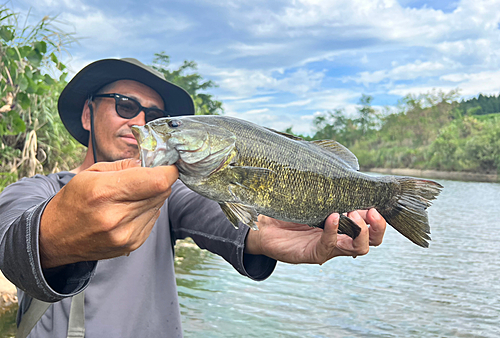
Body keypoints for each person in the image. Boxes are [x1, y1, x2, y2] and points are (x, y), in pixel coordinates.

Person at [0, 58, 386, 338]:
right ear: (88, 114)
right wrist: (53, 233)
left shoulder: (172, 194)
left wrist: (263, 230)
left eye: (157, 114)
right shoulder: (34, 190)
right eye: (126, 106)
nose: (141, 123)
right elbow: (13, 241)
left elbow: (216, 214)